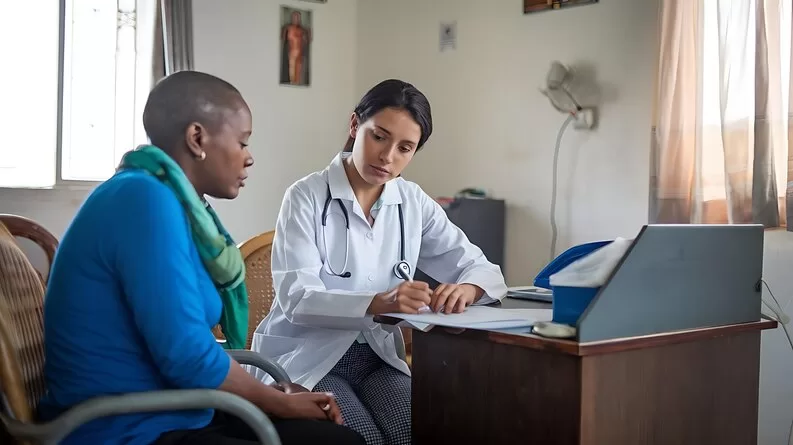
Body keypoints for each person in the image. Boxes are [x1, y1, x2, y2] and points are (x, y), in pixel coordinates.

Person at [38, 70, 364, 445]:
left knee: (332, 436)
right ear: (197, 139)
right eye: (243, 142)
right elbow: (188, 355)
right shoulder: (143, 201)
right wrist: (277, 402)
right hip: (124, 428)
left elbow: (187, 342)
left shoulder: (160, 198)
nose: (249, 158)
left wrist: (276, 398)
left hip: (172, 408)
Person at [251, 79, 508, 444]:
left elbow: (481, 267)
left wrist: (467, 287)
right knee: (363, 440)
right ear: (356, 126)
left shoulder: (412, 202)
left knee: (419, 432)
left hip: (377, 357)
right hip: (309, 359)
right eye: (379, 136)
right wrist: (378, 303)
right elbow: (297, 297)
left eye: (405, 147)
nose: (388, 156)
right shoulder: (306, 195)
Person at [281, 10, 310, 85]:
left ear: (300, 19)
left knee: (299, 75)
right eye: (294, 17)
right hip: (290, 54)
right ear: (292, 18)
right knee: (291, 73)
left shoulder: (303, 30)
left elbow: (306, 42)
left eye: (297, 17)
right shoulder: (287, 28)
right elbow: (283, 40)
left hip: (300, 55)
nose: (296, 19)